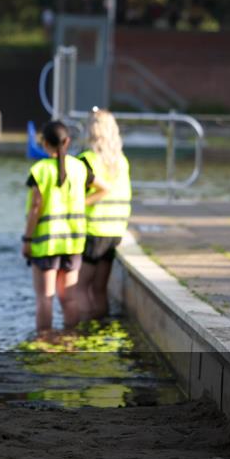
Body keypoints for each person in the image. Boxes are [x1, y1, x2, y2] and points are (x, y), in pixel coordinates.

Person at [22, 121, 87, 335]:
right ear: (67, 141)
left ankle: (45, 342)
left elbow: (35, 208)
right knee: (69, 297)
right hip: (73, 243)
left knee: (45, 298)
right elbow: (96, 188)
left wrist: (27, 240)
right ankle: (72, 339)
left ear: (44, 144)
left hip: (45, 244)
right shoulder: (80, 167)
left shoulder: (40, 170)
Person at [77, 109, 131, 320]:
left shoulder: (87, 160)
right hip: (115, 231)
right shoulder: (121, 161)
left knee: (80, 287)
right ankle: (101, 333)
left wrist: (78, 205)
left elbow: (95, 191)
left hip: (94, 231)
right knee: (99, 288)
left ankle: (80, 333)